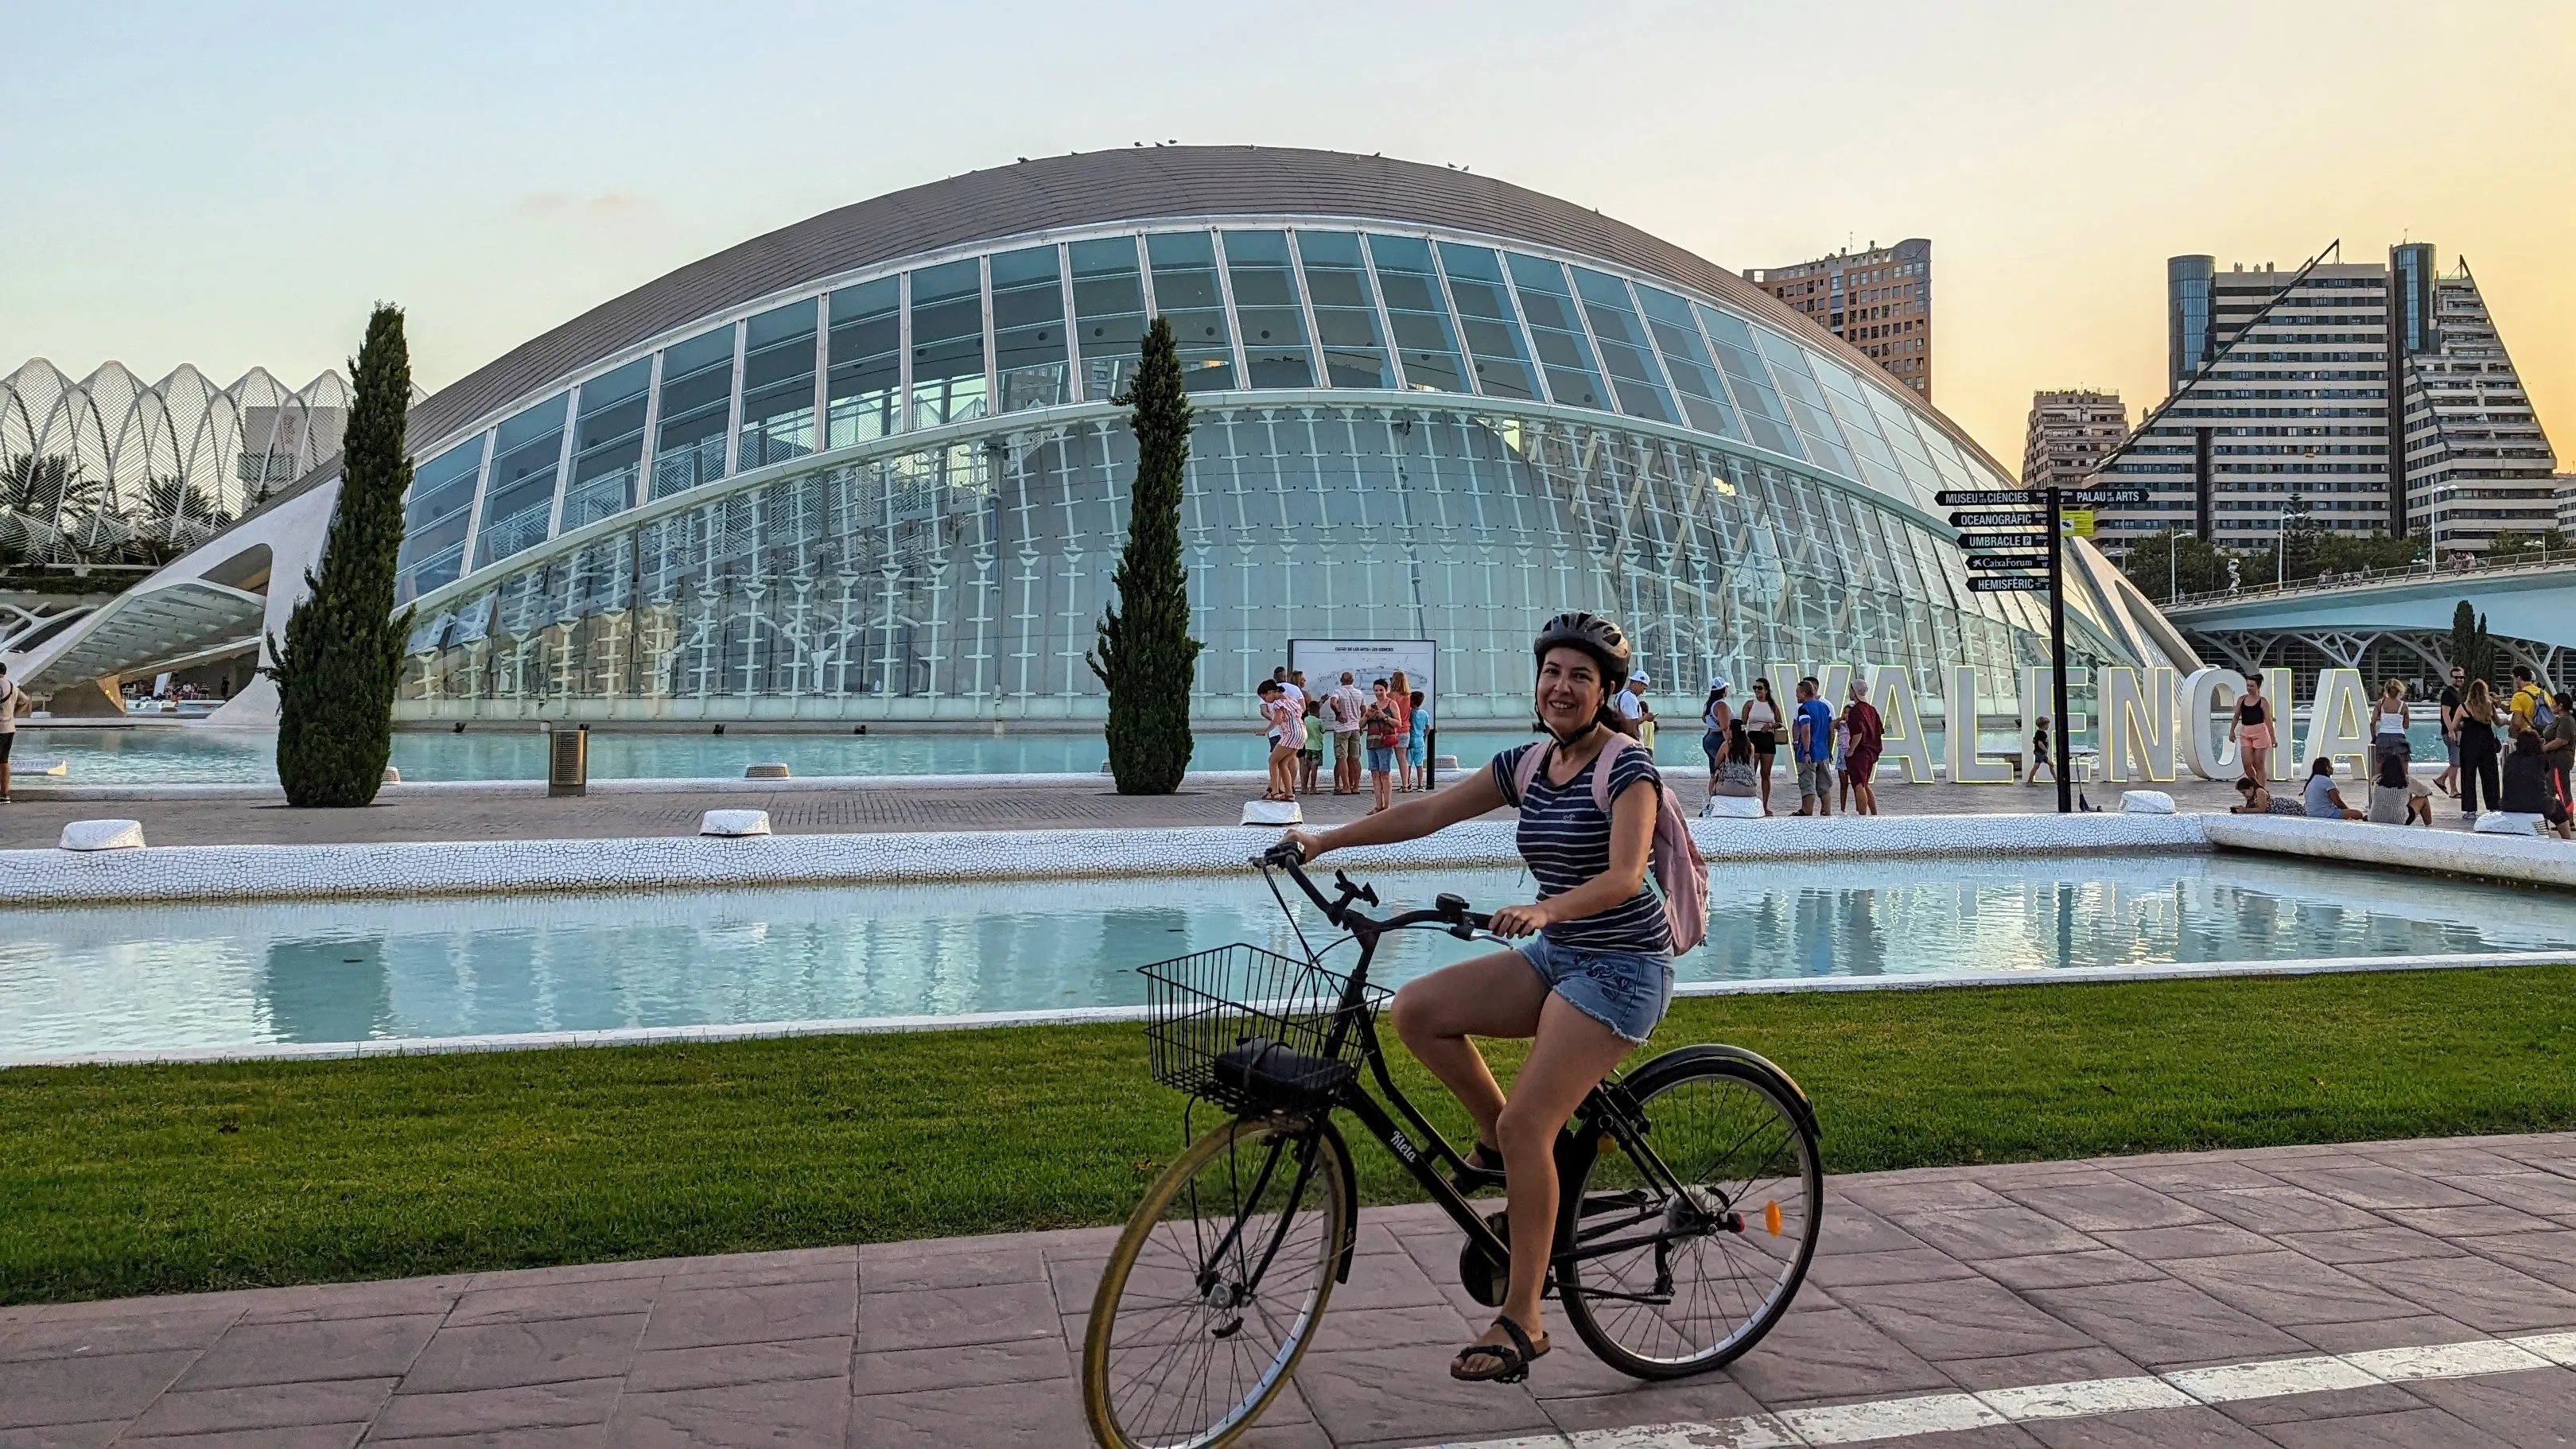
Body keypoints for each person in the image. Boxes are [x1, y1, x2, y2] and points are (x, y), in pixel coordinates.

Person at [1278, 612, 1675, 1386]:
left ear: (1606, 692)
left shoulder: (1627, 768)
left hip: (1621, 967)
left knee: (1533, 1124)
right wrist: (1321, 841)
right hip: (1560, 953)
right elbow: (1426, 812)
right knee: (1417, 1011)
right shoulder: (1527, 764)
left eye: (1580, 676)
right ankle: (1494, 1140)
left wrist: (1546, 909)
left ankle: (1523, 1316)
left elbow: (1625, 876)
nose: (1561, 687)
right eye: (1552, 672)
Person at [2501, 729, 2575, 840]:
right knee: (2558, 807)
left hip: (2508, 804)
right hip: (2536, 803)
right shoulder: (2541, 758)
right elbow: (2544, 774)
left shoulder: (2510, 758)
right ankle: (2567, 839)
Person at [2458, 678, 2502, 818]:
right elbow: (2498, 723)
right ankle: (2494, 806)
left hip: (2469, 743)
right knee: (2490, 775)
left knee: (2468, 775)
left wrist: (2465, 725)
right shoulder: (2489, 706)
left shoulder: (2463, 707)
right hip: (2487, 743)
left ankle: (2470, 810)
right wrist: (2508, 722)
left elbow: (2454, 726)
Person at [1791, 677, 1834, 817]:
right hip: (1823, 752)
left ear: (1804, 693)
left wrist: (1806, 751)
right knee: (1824, 786)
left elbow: (1806, 730)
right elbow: (1831, 729)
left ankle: (1806, 812)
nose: (1796, 695)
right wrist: (1829, 749)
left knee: (1807, 784)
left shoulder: (1804, 709)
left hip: (1809, 753)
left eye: (1797, 692)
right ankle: (1826, 812)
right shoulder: (1825, 707)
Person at [1842, 679, 1883, 816]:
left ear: (1854, 692)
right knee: (1865, 784)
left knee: (1858, 784)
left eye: (1850, 690)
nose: (1849, 692)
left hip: (1861, 752)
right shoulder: (1872, 710)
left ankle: (1862, 815)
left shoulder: (1856, 711)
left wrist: (1851, 750)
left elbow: (1858, 732)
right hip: (1872, 751)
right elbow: (1879, 731)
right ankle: (1874, 813)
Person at [1703, 721, 1762, 818]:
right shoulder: (1751, 746)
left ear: (1731, 731)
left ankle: (1711, 808)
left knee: (1716, 776)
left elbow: (1716, 765)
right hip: (1750, 789)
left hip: (1729, 788)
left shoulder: (1726, 745)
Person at [2367, 742, 2433, 826]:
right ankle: (2429, 826)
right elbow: (2425, 791)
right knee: (2423, 798)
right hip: (2398, 821)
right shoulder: (2407, 781)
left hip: (2374, 819)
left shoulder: (2377, 780)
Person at [1741, 678, 1781, 814]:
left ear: (1766, 690)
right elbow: (1743, 723)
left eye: (1760, 688)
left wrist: (1770, 725)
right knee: (1751, 772)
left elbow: (1779, 722)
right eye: (1755, 688)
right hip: (1753, 738)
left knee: (1766, 773)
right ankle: (1750, 802)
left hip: (1768, 738)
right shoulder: (1749, 704)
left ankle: (1765, 805)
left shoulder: (1772, 705)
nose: (1757, 690)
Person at [1257, 680, 1301, 802]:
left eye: (1265, 698)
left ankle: (1275, 792)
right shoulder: (1291, 699)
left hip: (1291, 734)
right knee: (1282, 763)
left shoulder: (1278, 703)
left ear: (1270, 692)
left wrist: (1266, 731)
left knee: (1272, 760)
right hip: (1301, 733)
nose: (1266, 701)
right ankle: (1289, 794)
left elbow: (1277, 719)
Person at [1363, 678, 1403, 814]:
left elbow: (1398, 723)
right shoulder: (1372, 706)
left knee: (1385, 774)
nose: (1378, 693)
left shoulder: (1392, 704)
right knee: (1375, 774)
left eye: (1381, 690)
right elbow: (1360, 725)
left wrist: (1384, 716)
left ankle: (1387, 806)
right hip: (1372, 743)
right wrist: (1367, 716)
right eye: (1376, 690)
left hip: (1384, 743)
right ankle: (1378, 806)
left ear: (1386, 690)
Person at [1327, 671, 1368, 794]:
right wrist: (1361, 725)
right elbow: (1364, 710)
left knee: (1342, 758)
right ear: (1353, 681)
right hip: (1355, 728)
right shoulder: (1359, 693)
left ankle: (1345, 787)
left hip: (1342, 729)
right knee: (1355, 758)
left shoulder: (1338, 692)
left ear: (1341, 680)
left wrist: (1338, 713)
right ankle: (1356, 786)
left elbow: (1333, 703)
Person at [2231, 674, 2276, 784]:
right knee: (2247, 764)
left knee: (2258, 764)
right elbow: (2236, 716)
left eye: (2252, 686)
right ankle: (2255, 785)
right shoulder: (2241, 700)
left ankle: (2262, 789)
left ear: (2258, 687)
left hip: (2260, 733)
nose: (2249, 688)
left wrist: (2273, 738)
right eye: (2247, 685)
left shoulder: (2263, 701)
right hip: (2246, 733)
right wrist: (2232, 731)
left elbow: (2268, 720)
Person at [2301, 757, 2366, 821]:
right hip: (2325, 813)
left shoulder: (2311, 781)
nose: (2333, 768)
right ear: (2327, 768)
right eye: (2331, 766)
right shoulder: (2328, 781)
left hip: (2310, 813)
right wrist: (2347, 810)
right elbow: (2338, 802)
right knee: (2358, 814)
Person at [2436, 665, 2465, 798]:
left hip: (2456, 731)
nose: (2459, 679)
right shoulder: (2448, 693)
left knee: (2456, 762)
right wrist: (2451, 730)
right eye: (2456, 677)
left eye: (2461, 677)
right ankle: (2452, 789)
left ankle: (2442, 781)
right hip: (2451, 732)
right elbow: (2445, 714)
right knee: (2455, 762)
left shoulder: (2456, 693)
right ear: (2451, 678)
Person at [1699, 678, 1733, 791]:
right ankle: (1722, 795)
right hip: (1719, 739)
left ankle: (1712, 797)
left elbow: (1704, 719)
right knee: (1724, 771)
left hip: (1709, 738)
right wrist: (1730, 742)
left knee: (1714, 773)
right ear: (1723, 689)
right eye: (1726, 687)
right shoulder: (1721, 705)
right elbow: (1725, 727)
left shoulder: (1708, 704)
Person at [2371, 680, 2410, 776]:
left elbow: (2372, 723)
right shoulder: (2403, 705)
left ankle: (2377, 785)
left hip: (2383, 737)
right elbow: (2406, 726)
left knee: (2379, 772)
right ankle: (2405, 786)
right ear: (2400, 691)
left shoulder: (2380, 703)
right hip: (2399, 738)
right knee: (2404, 771)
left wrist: (2374, 738)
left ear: (2386, 690)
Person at [1293, 670, 1323, 794]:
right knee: (1304, 761)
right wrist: (1321, 702)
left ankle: (1293, 785)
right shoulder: (1304, 695)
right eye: (1302, 679)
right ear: (1298, 681)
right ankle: (1305, 786)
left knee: (1293, 758)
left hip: (1294, 727)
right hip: (1304, 731)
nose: (1305, 681)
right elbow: (1312, 710)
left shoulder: (1289, 694)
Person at [1387, 672, 1416, 791]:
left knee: (1386, 758)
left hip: (1392, 730)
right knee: (1403, 759)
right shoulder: (1409, 696)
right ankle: (1405, 784)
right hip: (1405, 730)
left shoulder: (1390, 696)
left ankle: (1385, 783)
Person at [2546, 691, 2575, 806]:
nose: (2551, 705)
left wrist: (2543, 748)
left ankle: (2568, 816)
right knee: (2553, 789)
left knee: (2562, 791)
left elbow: (2561, 741)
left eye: (2553, 703)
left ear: (2560, 706)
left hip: (2559, 761)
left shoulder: (2566, 720)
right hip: (2554, 761)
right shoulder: (2560, 719)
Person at [1614, 674, 1655, 748]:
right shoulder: (1630, 697)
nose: (1642, 692)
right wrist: (1645, 718)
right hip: (1631, 743)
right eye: (1644, 688)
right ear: (1639, 683)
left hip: (1622, 740)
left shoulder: (1621, 694)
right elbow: (1631, 723)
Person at [2232, 776, 2307, 815]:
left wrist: (2245, 810)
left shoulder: (2259, 791)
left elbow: (2262, 809)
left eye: (2244, 792)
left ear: (2251, 788)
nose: (2244, 795)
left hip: (2286, 807)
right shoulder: (2252, 797)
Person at [2506, 665, 2547, 736]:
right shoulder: (2544, 693)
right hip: (2543, 734)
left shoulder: (2519, 696)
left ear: (2519, 678)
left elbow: (2517, 723)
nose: (2514, 682)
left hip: (2527, 735)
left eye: (2514, 679)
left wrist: (2512, 733)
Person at [0, 662, 21, 803]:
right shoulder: (13, 685)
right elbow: (25, 701)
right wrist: (13, 715)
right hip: (9, 728)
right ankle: (4, 795)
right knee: (4, 761)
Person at [1405, 689, 1432, 792]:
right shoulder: (1424, 713)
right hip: (1420, 741)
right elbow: (1428, 727)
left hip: (1410, 741)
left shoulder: (1409, 713)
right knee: (1419, 764)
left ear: (1412, 701)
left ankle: (1407, 783)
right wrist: (1424, 736)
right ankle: (1420, 785)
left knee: (1408, 764)